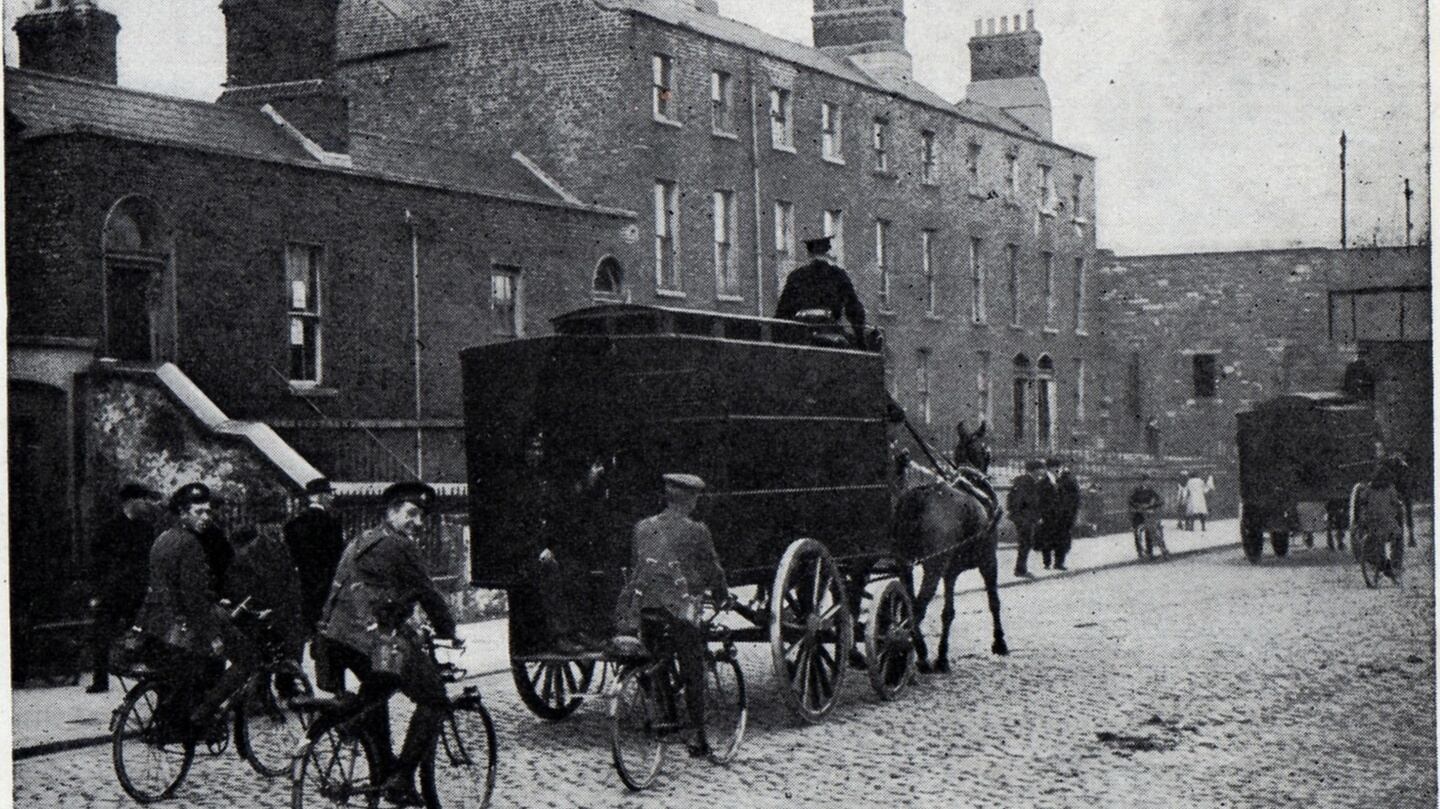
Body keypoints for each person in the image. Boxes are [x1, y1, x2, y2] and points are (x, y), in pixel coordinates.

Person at [319, 481, 458, 808]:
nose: (417, 522)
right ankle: (401, 779)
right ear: (392, 512)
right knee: (435, 697)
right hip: (370, 639)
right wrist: (449, 631)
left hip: (335, 638)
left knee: (379, 691)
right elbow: (427, 592)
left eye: (421, 516)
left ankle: (379, 767)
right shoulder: (399, 545)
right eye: (411, 513)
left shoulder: (362, 540)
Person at [616, 473, 727, 758]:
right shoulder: (697, 531)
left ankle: (664, 719)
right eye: (695, 498)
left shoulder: (643, 527)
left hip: (647, 609)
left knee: (657, 660)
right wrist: (722, 595)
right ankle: (698, 738)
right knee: (693, 668)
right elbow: (713, 570)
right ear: (689, 500)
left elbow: (637, 568)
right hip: (680, 611)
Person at [135, 483, 255, 741]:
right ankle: (203, 713)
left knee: (199, 668)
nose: (205, 518)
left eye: (207, 512)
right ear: (182, 513)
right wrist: (214, 637)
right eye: (198, 512)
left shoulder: (163, 538)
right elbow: (195, 599)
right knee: (246, 658)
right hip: (186, 623)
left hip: (160, 623)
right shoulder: (190, 544)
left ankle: (194, 712)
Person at [86, 482, 162, 693]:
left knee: (145, 633)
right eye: (143, 499)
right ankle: (100, 680)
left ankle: (147, 676)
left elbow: (151, 561)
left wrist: (150, 585)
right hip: (112, 591)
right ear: (130, 501)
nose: (147, 504)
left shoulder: (146, 529)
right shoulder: (107, 529)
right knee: (101, 634)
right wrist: (97, 591)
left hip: (137, 591)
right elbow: (96, 563)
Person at [225, 525, 306, 696]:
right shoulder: (271, 552)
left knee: (270, 649)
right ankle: (272, 688)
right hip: (269, 612)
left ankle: (270, 689)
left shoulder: (252, 557)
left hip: (270, 612)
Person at [283, 477, 347, 692]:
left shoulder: (293, 526)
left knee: (295, 638)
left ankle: (288, 682)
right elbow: (339, 562)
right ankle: (331, 683)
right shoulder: (332, 525)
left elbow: (290, 560)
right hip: (326, 590)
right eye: (329, 494)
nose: (332, 498)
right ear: (319, 496)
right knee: (327, 637)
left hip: (300, 589)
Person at [774, 235, 866, 346]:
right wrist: (860, 338)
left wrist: (779, 339)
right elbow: (854, 310)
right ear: (828, 252)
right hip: (829, 332)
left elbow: (782, 311)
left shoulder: (796, 276)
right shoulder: (838, 275)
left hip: (799, 334)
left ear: (809, 254)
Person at [1353, 466, 1406, 579]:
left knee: (1374, 541)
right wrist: (1399, 505)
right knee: (1398, 537)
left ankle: (1381, 564)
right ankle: (1395, 565)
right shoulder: (1390, 488)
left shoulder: (1368, 488)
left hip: (1371, 523)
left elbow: (1361, 502)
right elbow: (1396, 503)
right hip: (1387, 523)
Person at [1007, 460, 1046, 578]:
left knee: (1026, 543)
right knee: (1025, 543)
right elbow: (1022, 501)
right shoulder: (1026, 482)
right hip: (1024, 518)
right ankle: (1020, 570)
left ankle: (1021, 569)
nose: (1043, 471)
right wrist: (1025, 517)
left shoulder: (1028, 481)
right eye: (1041, 468)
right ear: (1034, 470)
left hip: (1025, 517)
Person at [1048, 458, 1081, 571]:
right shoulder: (1061, 478)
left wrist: (1071, 513)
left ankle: (1058, 562)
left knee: (1062, 538)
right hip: (1057, 514)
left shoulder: (1067, 479)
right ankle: (1055, 562)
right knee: (1056, 538)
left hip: (1064, 515)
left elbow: (1075, 498)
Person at [1128, 474, 1168, 559]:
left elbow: (1160, 501)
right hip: (1139, 514)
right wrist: (1138, 506)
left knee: (1149, 531)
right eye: (1143, 480)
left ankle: (1150, 552)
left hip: (1149, 513)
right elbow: (1131, 501)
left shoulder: (1151, 491)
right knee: (1137, 532)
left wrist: (1151, 506)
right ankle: (1139, 551)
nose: (1146, 482)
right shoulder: (1136, 491)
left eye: (1147, 480)